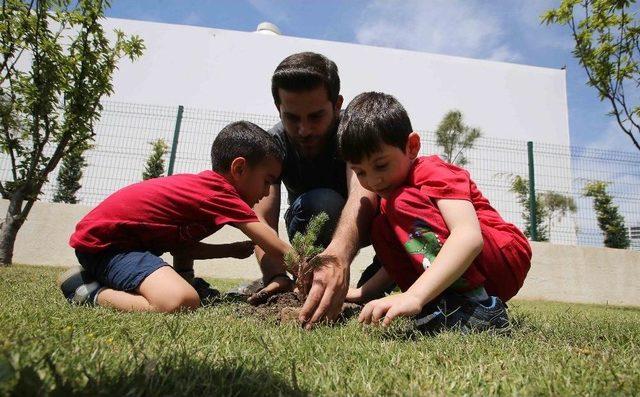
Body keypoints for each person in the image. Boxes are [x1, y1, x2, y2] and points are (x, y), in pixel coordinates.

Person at [338, 92, 532, 332]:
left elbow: (468, 236)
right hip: (469, 266)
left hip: (501, 254)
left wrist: (415, 296)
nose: (374, 180)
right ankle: (445, 306)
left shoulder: (430, 171)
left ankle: (480, 306)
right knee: (380, 227)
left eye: (380, 165)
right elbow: (413, 250)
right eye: (361, 172)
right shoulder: (390, 202)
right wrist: (362, 292)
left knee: (400, 202)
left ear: (412, 146)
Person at [57, 121, 292, 313]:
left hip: (118, 247)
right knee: (181, 301)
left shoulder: (206, 193)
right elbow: (275, 245)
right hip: (107, 248)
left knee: (187, 292)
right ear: (239, 169)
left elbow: (183, 249)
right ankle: (88, 292)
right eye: (267, 181)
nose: (266, 192)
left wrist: (229, 250)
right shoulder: (220, 193)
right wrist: (312, 267)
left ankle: (182, 281)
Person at [251, 52, 378, 328]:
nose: (304, 130)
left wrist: (338, 255)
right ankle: (311, 285)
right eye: (292, 117)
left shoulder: (352, 133)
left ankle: (380, 280)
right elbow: (261, 220)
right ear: (278, 108)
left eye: (316, 116)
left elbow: (361, 195)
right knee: (323, 202)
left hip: (360, 224)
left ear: (337, 104)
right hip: (308, 219)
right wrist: (275, 275)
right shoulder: (273, 145)